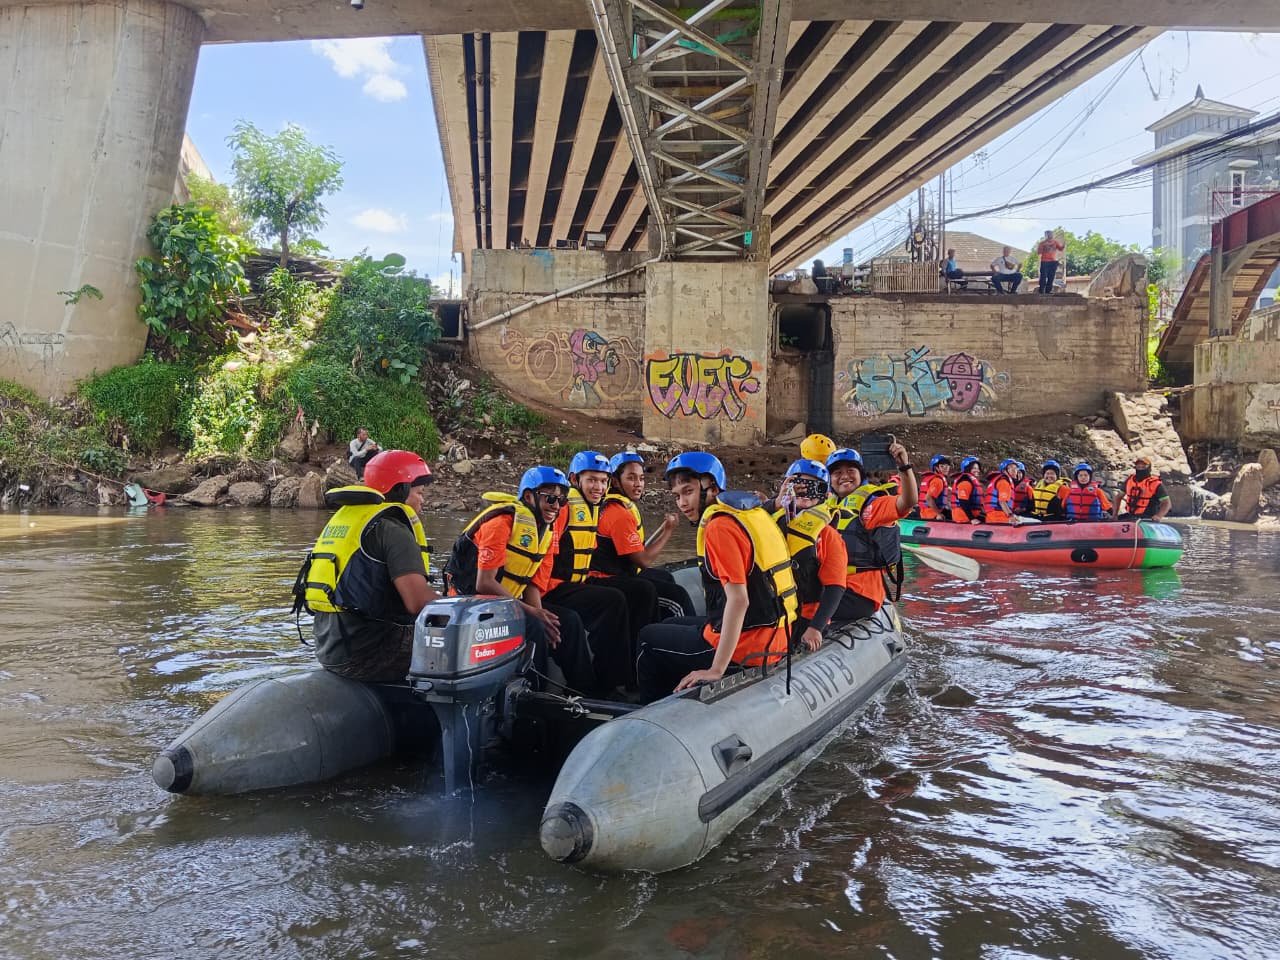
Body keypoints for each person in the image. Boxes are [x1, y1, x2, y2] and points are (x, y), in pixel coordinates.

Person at [635, 453, 799, 701]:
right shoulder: (750, 513)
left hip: (749, 646)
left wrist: (716, 669)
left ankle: (653, 712)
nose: (682, 503)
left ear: (711, 487)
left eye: (688, 491)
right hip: (775, 636)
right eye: (677, 496)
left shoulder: (719, 526)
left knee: (648, 638)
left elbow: (739, 600)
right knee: (671, 624)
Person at [442, 465, 595, 694]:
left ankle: (584, 692)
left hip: (506, 603)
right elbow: (484, 583)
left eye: (561, 501)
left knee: (567, 621)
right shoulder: (500, 523)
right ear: (529, 496)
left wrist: (542, 615)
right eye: (550, 498)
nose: (556, 506)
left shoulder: (545, 532)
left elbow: (532, 583)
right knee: (533, 625)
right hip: (472, 604)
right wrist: (533, 614)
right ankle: (534, 695)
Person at [298, 450, 437, 682]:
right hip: (369, 653)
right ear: (401, 489)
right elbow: (417, 602)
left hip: (329, 648)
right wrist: (461, 603)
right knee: (456, 647)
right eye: (419, 493)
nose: (422, 500)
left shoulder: (349, 518)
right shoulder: (393, 530)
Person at [535, 450, 638, 695]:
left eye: (603, 481)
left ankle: (614, 680)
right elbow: (542, 558)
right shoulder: (563, 508)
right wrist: (536, 606)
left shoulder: (594, 508)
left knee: (619, 598)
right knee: (601, 605)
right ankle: (590, 688)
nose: (598, 487)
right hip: (549, 587)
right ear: (574, 479)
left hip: (572, 584)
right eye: (591, 480)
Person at [591, 451, 695, 619]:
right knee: (678, 596)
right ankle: (679, 633)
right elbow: (644, 561)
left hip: (617, 572)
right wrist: (668, 531)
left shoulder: (615, 506)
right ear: (615, 481)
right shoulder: (618, 514)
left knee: (665, 577)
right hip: (606, 578)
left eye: (641, 478)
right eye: (631, 478)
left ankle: (660, 626)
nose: (638, 484)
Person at [827, 440, 918, 624]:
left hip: (859, 592)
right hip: (832, 585)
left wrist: (904, 466)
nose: (844, 476)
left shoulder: (872, 506)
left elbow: (908, 501)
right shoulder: (826, 506)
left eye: (850, 471)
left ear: (860, 475)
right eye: (837, 473)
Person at [775, 459, 847, 652]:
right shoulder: (772, 523)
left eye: (815, 488)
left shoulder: (828, 535)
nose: (805, 492)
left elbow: (835, 587)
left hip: (807, 617)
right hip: (777, 615)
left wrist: (816, 627)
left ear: (824, 494)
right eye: (799, 486)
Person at [1113, 452, 1172, 520]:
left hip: (1148, 518)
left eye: (1143, 465)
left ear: (1149, 467)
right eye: (1138, 465)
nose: (1140, 467)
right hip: (1131, 516)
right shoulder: (1129, 480)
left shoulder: (1155, 483)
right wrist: (1115, 515)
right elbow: (1118, 497)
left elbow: (1166, 503)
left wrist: (1158, 516)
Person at [983, 458, 1023, 525]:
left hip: (994, 515)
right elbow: (1002, 502)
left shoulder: (1002, 480)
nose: (1014, 470)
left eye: (1015, 468)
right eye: (1010, 468)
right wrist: (1010, 516)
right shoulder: (1003, 482)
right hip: (998, 516)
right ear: (1004, 471)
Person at [949, 456, 985, 524]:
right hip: (963, 517)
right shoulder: (965, 482)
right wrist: (972, 519)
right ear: (967, 468)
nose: (977, 470)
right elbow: (963, 501)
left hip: (971, 515)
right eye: (974, 468)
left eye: (978, 468)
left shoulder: (971, 481)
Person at [918, 454, 952, 520]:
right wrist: (938, 513)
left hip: (924, 514)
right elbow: (928, 498)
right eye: (942, 466)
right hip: (933, 515)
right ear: (936, 468)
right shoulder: (938, 481)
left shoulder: (930, 478)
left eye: (947, 466)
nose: (946, 468)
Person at [1036, 229, 1065, 295]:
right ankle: (1041, 291)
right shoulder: (1042, 243)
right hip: (1044, 261)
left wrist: (1063, 245)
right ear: (1046, 235)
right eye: (1049, 234)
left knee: (1051, 277)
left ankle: (1048, 291)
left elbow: (1060, 249)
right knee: (1043, 276)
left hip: (1053, 262)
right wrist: (1042, 247)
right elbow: (1039, 252)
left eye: (1051, 234)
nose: (1050, 235)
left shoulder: (1055, 242)